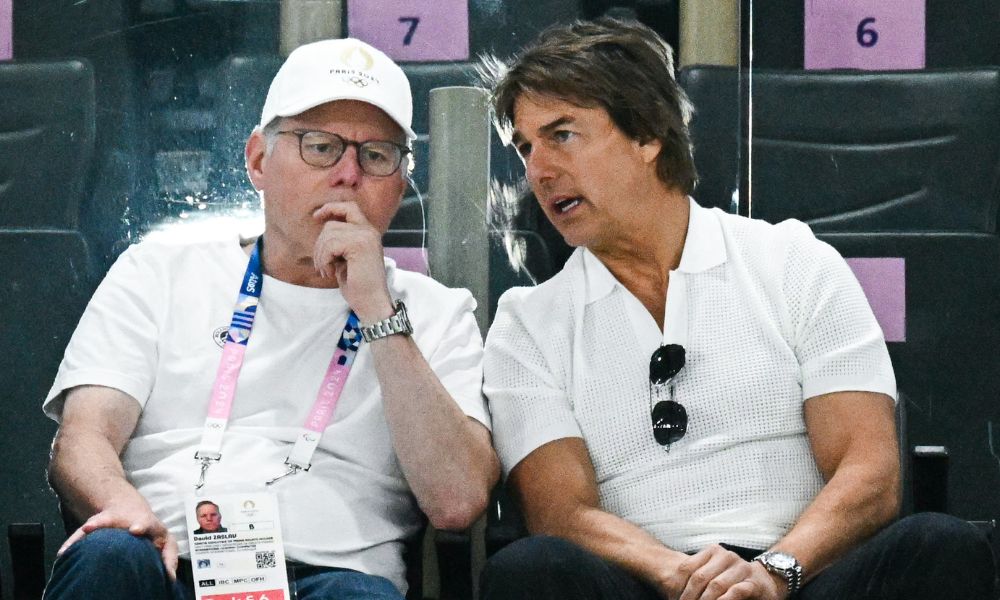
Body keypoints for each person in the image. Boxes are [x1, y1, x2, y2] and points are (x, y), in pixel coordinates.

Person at [480, 17, 996, 600]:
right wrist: (683, 577)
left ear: (648, 135)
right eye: (525, 146)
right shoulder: (527, 321)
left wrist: (772, 575)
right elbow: (561, 513)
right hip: (644, 584)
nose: (538, 170)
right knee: (530, 569)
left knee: (939, 546)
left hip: (798, 576)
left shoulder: (792, 260)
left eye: (562, 135)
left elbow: (869, 473)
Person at [42, 37, 499, 600]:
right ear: (258, 159)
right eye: (321, 146)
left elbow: (457, 501)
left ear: (399, 186)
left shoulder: (435, 311)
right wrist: (122, 504)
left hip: (333, 578)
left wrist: (377, 310)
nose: (349, 174)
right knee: (108, 557)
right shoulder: (160, 269)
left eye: (376, 155)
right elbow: (82, 437)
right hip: (163, 556)